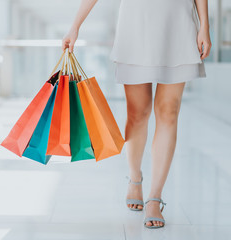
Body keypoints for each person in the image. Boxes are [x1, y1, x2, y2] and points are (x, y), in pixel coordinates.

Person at [62, 0, 211, 229]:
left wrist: (204, 26)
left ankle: (155, 197)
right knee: (137, 113)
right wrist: (75, 25)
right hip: (136, 24)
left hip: (178, 23)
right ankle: (135, 177)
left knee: (169, 112)